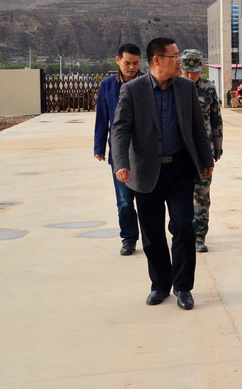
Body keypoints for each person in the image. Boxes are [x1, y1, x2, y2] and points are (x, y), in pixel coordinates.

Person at [111, 37, 215, 310]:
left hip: (180, 169)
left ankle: (183, 287)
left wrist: (206, 160)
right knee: (152, 233)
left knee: (183, 227)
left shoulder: (185, 88)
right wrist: (121, 162)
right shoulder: (132, 90)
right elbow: (120, 129)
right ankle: (160, 285)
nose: (180, 61)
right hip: (146, 172)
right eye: (174, 56)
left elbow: (197, 128)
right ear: (157, 60)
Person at [93, 43, 143, 256]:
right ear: (117, 61)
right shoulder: (107, 86)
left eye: (136, 63)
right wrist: (99, 146)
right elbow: (102, 117)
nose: (131, 67)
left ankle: (150, 238)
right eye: (127, 63)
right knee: (124, 201)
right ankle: (129, 239)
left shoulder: (147, 83)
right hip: (120, 153)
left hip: (144, 152)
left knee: (146, 200)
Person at [180, 49, 223, 253]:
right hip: (179, 151)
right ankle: (183, 234)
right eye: (187, 71)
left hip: (203, 151)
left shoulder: (209, 88)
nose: (190, 76)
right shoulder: (173, 87)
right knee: (180, 196)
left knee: (202, 195)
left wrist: (218, 147)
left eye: (195, 72)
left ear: (201, 69)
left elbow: (216, 119)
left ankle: (199, 236)